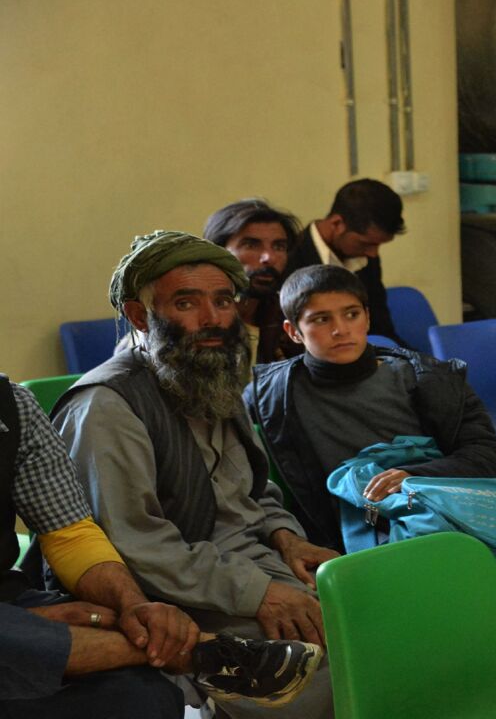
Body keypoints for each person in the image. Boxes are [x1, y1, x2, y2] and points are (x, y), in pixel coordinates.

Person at [51, 231, 339, 719]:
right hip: (171, 594)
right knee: (319, 665)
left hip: (251, 564)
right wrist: (259, 592)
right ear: (141, 316)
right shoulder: (107, 406)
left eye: (223, 300)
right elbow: (134, 545)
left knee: (377, 619)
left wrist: (284, 534)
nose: (212, 319)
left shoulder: (209, 374)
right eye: (187, 302)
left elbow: (252, 489)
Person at [243, 265, 496, 694]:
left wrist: (412, 476)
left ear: (368, 318)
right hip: (351, 538)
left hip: (444, 515)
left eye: (351, 314)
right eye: (321, 320)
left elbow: (487, 454)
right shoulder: (268, 398)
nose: (340, 330)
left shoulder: (427, 378)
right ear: (293, 331)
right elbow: (254, 485)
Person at [0, 375, 322, 718]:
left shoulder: (13, 406)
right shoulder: (104, 402)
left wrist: (134, 608)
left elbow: (70, 535)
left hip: (10, 604)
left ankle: (139, 647)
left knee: (145, 696)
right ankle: (192, 652)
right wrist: (35, 621)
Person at [285, 178, 405, 345]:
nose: (373, 253)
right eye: (367, 243)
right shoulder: (288, 257)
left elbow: (381, 329)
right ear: (337, 223)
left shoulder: (366, 257)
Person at [203, 198, 304, 367]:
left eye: (278, 247)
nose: (269, 258)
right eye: (251, 245)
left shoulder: (288, 316)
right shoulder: (201, 319)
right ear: (218, 251)